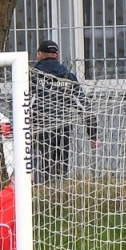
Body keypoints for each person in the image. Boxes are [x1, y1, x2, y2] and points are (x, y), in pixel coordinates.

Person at [32, 40, 98, 183]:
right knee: (61, 168)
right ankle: (60, 194)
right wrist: (93, 134)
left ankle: (42, 195)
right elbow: (83, 105)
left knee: (41, 166)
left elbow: (25, 103)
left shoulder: (33, 76)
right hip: (63, 127)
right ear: (57, 55)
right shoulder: (68, 76)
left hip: (40, 128)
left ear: (40, 55)